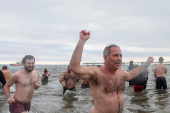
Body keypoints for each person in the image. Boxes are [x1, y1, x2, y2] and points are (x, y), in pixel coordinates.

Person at [69, 30, 154, 113]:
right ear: (105, 58)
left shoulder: (120, 73)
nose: (119, 58)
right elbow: (75, 67)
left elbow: (131, 74)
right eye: (115, 55)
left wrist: (146, 64)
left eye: (120, 56)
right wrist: (82, 41)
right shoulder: (96, 73)